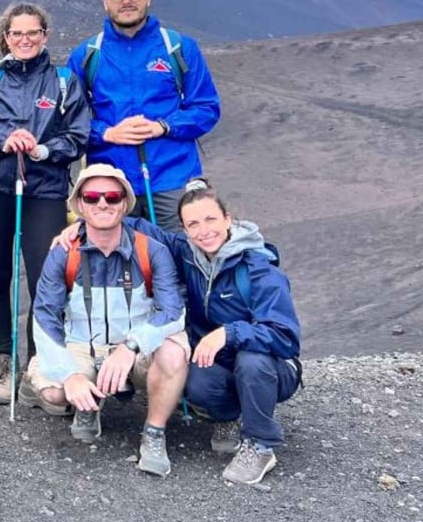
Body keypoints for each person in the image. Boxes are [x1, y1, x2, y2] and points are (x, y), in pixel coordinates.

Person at [123, 179, 303, 485]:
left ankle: (260, 444)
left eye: (211, 219)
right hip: (219, 361)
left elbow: (285, 337)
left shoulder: (259, 269)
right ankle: (228, 417)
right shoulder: (188, 254)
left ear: (228, 219)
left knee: (251, 360)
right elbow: (140, 227)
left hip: (271, 366)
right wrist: (84, 222)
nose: (203, 230)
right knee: (194, 378)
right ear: (184, 228)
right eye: (193, 223)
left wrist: (229, 333)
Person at [0, 3, 89, 405]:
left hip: (45, 192)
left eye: (33, 32)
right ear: (6, 37)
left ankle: (39, 366)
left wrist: (44, 150)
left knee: (44, 280)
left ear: (45, 35)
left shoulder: (65, 82)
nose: (25, 40)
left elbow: (79, 137)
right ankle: (3, 362)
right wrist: (3, 142)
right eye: (17, 33)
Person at [26, 164, 190, 477]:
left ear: (125, 203)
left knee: (173, 352)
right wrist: (69, 374)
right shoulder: (63, 252)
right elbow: (44, 315)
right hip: (82, 345)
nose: (103, 203)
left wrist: (131, 346)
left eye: (113, 197)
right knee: (55, 392)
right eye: (92, 196)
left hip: (136, 348)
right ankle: (86, 404)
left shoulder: (151, 250)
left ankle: (154, 433)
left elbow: (172, 311)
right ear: (79, 205)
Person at [66, 0, 221, 231]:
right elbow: (69, 120)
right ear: (105, 3)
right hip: (111, 183)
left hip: (172, 176)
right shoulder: (87, 55)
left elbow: (206, 107)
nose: (126, 1)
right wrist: (107, 133)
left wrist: (164, 126)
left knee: (182, 258)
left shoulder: (179, 48)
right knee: (120, 264)